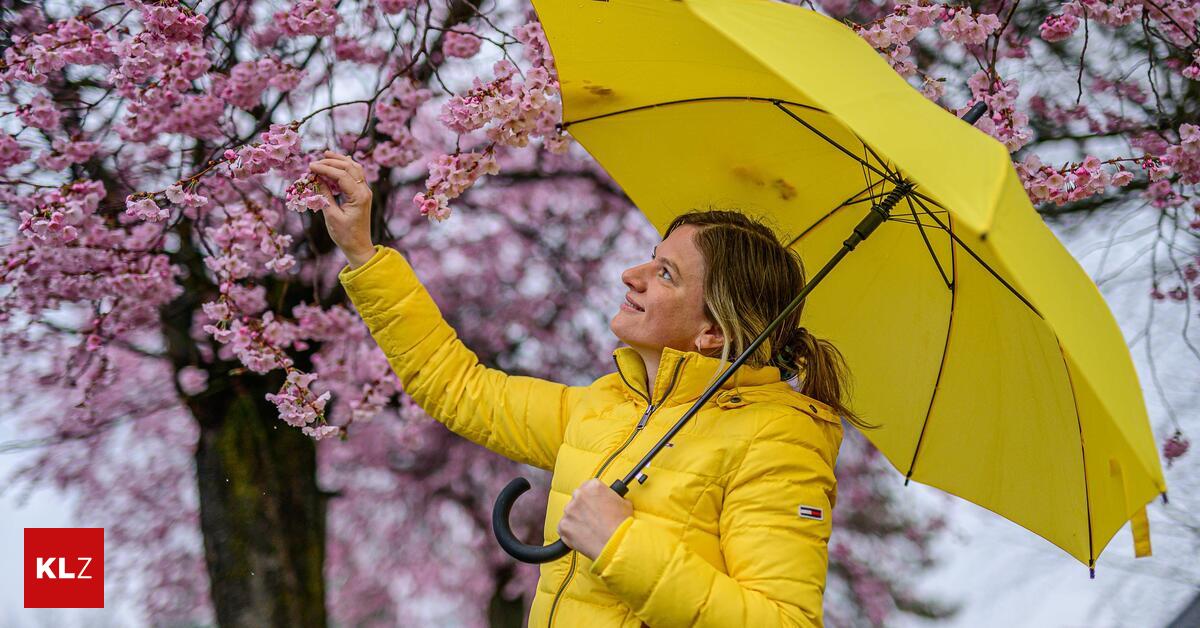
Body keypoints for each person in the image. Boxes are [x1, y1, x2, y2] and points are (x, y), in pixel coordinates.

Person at [310, 150, 877, 627]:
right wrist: (363, 252)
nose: (632, 275)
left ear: (712, 330)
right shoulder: (606, 407)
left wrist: (619, 545)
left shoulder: (778, 438)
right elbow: (457, 388)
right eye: (652, 259)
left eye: (665, 274)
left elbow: (784, 621)